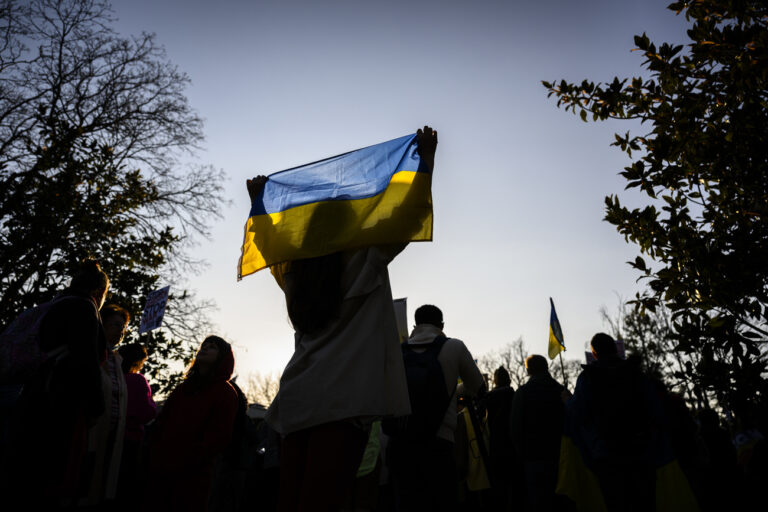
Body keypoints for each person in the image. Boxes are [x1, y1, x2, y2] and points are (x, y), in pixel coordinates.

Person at [246, 126, 438, 512]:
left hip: (298, 400)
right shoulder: (366, 258)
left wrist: (258, 202)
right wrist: (427, 160)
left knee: (292, 499)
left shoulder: (295, 274)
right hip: (344, 403)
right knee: (327, 500)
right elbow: (408, 216)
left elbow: (267, 244)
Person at [3, 259, 110, 508]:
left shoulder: (55, 306)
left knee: (24, 475)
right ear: (99, 292)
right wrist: (97, 406)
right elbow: (86, 361)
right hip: (58, 404)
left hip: (34, 395)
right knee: (47, 478)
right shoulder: (84, 308)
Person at [388, 304, 485, 512]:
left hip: (401, 445)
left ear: (415, 325)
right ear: (442, 324)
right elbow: (477, 386)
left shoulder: (397, 351)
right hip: (440, 443)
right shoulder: (455, 347)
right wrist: (455, 389)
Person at [146, 335, 238, 512]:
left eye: (212, 347)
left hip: (193, 474)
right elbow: (162, 422)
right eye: (204, 345)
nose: (205, 348)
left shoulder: (225, 392)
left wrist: (190, 457)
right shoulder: (183, 388)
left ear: (222, 357)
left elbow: (220, 436)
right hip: (160, 469)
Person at [81, 303, 131, 507]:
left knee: (100, 478)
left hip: (110, 433)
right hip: (89, 430)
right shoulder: (91, 352)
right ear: (102, 324)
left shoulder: (117, 360)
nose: (121, 331)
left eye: (124, 327)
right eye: (116, 325)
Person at [509, 354, 565, 512]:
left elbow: (515, 428)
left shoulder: (523, 393)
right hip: (560, 457)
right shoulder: (561, 391)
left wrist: (522, 454)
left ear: (528, 370)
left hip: (533, 458)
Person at [116, 342, 156, 509]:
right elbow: (147, 412)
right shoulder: (138, 381)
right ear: (138, 362)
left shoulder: (111, 377)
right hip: (129, 442)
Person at [482, 366, 517, 511]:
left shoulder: (489, 397)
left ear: (495, 379)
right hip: (513, 445)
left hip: (494, 445)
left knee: (498, 485)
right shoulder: (514, 394)